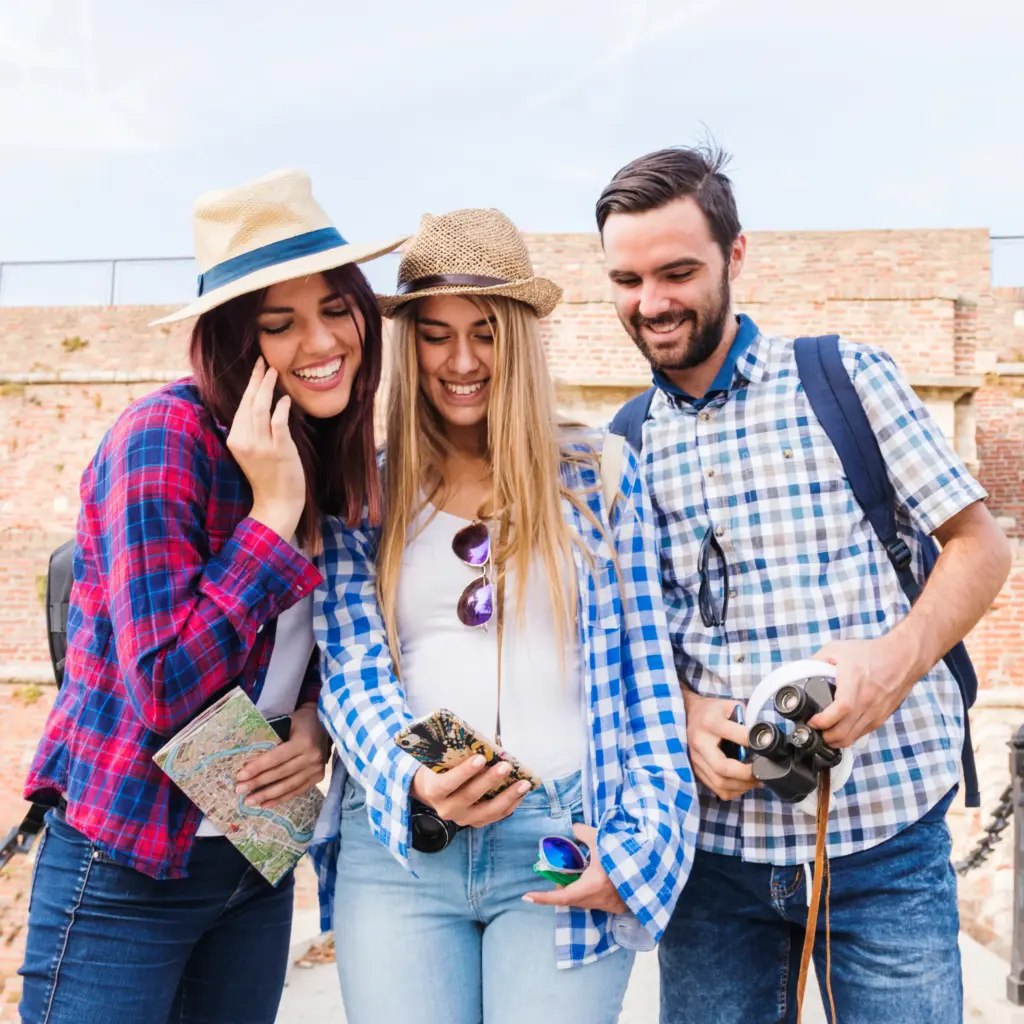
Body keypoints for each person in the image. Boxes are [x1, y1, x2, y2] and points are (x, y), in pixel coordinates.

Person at [594, 144, 1013, 1024]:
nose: (652, 303)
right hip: (710, 862)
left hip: (886, 842)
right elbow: (619, 647)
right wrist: (685, 714)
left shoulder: (845, 379)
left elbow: (979, 548)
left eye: (677, 272)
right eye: (627, 280)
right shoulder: (616, 447)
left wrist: (890, 665)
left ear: (735, 257)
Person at [18, 169, 405, 1024]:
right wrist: (269, 517)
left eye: (335, 309)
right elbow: (163, 686)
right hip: (129, 864)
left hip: (253, 859)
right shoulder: (164, 440)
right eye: (281, 324)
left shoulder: (332, 453)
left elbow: (313, 644)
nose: (321, 341)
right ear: (236, 342)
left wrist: (315, 721)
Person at [310, 208, 698, 1024]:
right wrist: (412, 776)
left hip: (559, 833)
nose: (460, 361)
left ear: (519, 339)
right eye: (435, 334)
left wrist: (639, 848)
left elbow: (647, 685)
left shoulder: (599, 476)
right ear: (407, 344)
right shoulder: (364, 492)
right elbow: (351, 667)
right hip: (402, 848)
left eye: (485, 333)